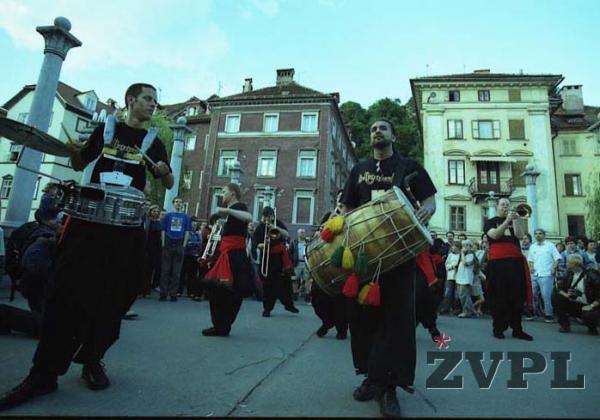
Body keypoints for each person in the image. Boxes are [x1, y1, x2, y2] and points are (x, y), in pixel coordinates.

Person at [0, 83, 173, 411]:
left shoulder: (153, 141)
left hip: (126, 229)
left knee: (117, 296)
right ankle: (44, 373)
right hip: (89, 223)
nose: (154, 104)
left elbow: (167, 182)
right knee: (65, 292)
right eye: (148, 98)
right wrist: (73, 151)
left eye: (155, 99)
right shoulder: (106, 129)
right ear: (130, 100)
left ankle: (92, 359)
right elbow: (80, 165)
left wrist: (164, 173)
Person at [339, 119, 436, 417]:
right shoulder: (359, 169)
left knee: (397, 321)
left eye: (383, 128)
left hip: (400, 255)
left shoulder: (409, 167)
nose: (377, 131)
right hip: (366, 257)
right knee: (364, 319)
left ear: (393, 135)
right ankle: (372, 378)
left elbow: (430, 201)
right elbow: (346, 207)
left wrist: (425, 211)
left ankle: (390, 387)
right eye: (372, 129)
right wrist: (341, 223)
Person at [202, 183, 254, 336]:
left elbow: (249, 217)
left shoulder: (239, 206)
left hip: (236, 254)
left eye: (224, 192)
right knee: (217, 289)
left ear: (232, 193)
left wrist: (226, 210)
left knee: (233, 291)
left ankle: (224, 325)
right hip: (225, 253)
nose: (222, 194)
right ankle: (219, 324)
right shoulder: (229, 214)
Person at [485, 198, 533, 341]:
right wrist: (507, 221)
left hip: (515, 264)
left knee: (517, 297)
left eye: (507, 204)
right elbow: (494, 235)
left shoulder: (514, 220)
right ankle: (498, 328)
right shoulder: (490, 221)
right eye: (503, 205)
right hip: (498, 265)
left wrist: (516, 220)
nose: (505, 207)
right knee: (499, 297)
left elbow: (520, 235)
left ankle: (517, 329)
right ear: (497, 206)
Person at [253, 207, 299, 317]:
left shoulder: (277, 223)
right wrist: (263, 245)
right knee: (268, 285)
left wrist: (275, 227)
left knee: (285, 283)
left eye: (269, 217)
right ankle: (267, 309)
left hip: (280, 258)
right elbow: (256, 244)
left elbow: (286, 234)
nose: (267, 219)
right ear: (263, 217)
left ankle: (289, 304)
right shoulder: (259, 227)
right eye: (265, 217)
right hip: (268, 258)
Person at [551, 254, 600, 335]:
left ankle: (592, 328)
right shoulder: (569, 273)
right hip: (575, 303)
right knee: (556, 297)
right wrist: (566, 294)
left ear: (574, 264)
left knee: (590, 314)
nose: (566, 264)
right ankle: (565, 325)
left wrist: (591, 306)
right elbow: (558, 288)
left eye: (568, 263)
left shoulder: (592, 275)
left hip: (591, 305)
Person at [159, 197, 192, 302]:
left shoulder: (185, 217)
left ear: (182, 204)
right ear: (173, 203)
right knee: (165, 270)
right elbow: (163, 230)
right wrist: (163, 242)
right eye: (177, 202)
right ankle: (163, 293)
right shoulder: (168, 216)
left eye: (180, 202)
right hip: (168, 243)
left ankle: (173, 293)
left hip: (179, 243)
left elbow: (187, 231)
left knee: (176, 271)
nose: (178, 203)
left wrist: (184, 245)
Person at [527, 229, 561, 322]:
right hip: (534, 274)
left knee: (546, 295)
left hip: (546, 273)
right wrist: (530, 267)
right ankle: (533, 313)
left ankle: (548, 315)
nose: (538, 235)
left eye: (540, 234)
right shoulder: (532, 246)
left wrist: (553, 268)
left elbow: (557, 258)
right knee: (532, 294)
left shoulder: (550, 245)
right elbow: (530, 260)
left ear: (544, 235)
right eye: (536, 234)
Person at [143, 204, 162, 297]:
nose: (155, 213)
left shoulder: (160, 222)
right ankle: (143, 289)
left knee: (153, 269)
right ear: (150, 212)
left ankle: (149, 289)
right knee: (146, 268)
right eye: (154, 211)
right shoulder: (147, 221)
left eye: (157, 211)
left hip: (157, 248)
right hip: (147, 246)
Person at [180, 219, 201, 298]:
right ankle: (179, 291)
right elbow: (186, 244)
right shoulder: (187, 233)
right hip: (186, 255)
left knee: (192, 275)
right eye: (193, 224)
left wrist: (192, 243)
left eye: (196, 224)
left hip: (194, 256)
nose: (194, 226)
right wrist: (193, 244)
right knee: (183, 273)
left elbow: (199, 244)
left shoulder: (198, 234)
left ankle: (191, 291)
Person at [455, 239, 476, 318]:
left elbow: (465, 263)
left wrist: (462, 253)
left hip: (466, 279)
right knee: (462, 295)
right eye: (463, 245)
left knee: (464, 295)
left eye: (466, 245)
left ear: (470, 247)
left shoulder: (471, 255)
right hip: (461, 278)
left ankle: (467, 311)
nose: (464, 247)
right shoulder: (466, 255)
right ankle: (471, 311)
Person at [440, 243, 461, 315]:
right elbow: (446, 265)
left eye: (455, 247)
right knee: (447, 292)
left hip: (459, 276)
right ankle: (445, 308)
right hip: (450, 276)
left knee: (456, 294)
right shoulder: (450, 255)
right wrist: (452, 266)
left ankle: (456, 309)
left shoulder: (461, 255)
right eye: (453, 247)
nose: (453, 248)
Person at [289, 228, 308, 300]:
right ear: (298, 234)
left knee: (306, 280)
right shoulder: (294, 242)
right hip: (297, 263)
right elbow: (290, 252)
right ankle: (295, 294)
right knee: (295, 279)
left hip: (306, 263)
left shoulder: (308, 242)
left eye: (303, 232)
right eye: (300, 232)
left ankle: (307, 295)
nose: (302, 234)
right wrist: (291, 262)